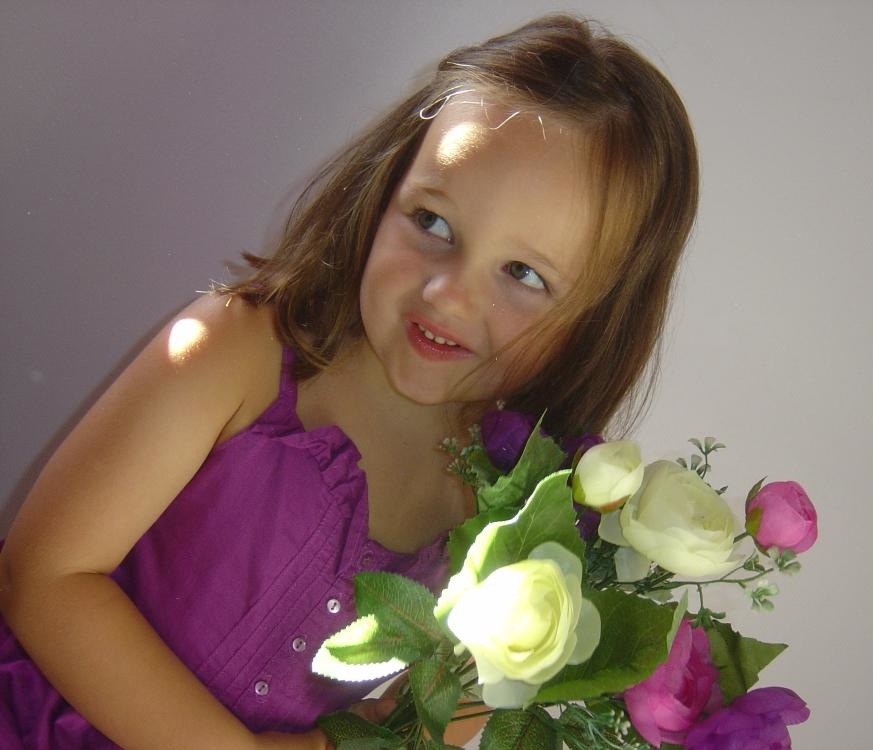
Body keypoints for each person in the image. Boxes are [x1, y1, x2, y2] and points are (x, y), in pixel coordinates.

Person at [0, 13, 698, 750]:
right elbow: (44, 577)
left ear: (596, 321)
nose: (446, 295)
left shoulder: (522, 517)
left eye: (523, 274)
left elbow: (425, 721)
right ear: (383, 192)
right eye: (432, 222)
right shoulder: (236, 351)